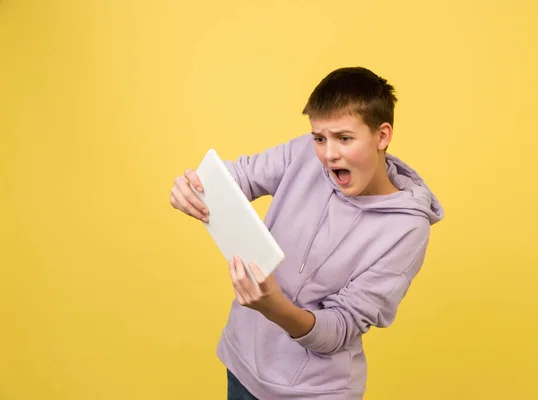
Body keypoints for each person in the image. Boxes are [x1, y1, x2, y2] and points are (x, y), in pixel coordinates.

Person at [169, 66, 444, 400]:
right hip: (242, 368)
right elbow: (238, 175)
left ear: (382, 136)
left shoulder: (406, 228)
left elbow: (342, 326)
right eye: (319, 138)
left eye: (344, 138)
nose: (328, 155)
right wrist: (196, 186)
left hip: (315, 393)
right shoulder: (304, 154)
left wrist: (276, 309)